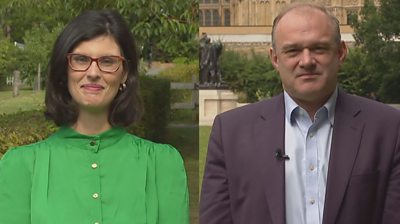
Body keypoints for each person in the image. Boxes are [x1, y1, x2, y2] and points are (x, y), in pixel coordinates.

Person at [200, 3, 400, 224]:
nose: (306, 61)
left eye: (319, 49)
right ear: (275, 58)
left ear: (341, 52)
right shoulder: (230, 132)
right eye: (293, 51)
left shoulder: (388, 128)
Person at [0, 10, 189, 224]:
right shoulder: (21, 166)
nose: (93, 72)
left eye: (107, 61)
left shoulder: (162, 165)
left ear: (125, 73)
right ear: (64, 70)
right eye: (81, 59)